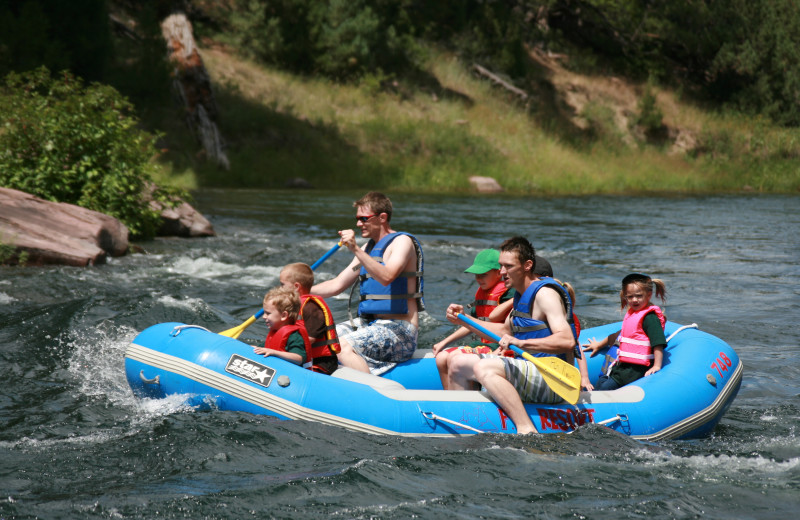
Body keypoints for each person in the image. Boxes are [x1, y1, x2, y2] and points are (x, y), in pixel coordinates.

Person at [444, 236, 577, 434]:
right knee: (457, 363)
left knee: (484, 366)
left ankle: (526, 429)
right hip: (531, 370)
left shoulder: (545, 295)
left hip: (553, 377)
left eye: (508, 266)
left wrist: (521, 344)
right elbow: (503, 332)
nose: (502, 272)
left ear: (527, 265)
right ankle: (465, 419)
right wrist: (463, 319)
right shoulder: (520, 295)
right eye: (500, 266)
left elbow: (567, 340)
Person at [310, 191, 424, 375]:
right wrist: (299, 291)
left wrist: (355, 248)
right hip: (369, 324)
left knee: (342, 347)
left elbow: (387, 276)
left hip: (401, 331)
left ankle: (373, 392)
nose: (358, 224)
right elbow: (337, 285)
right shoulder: (368, 248)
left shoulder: (402, 242)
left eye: (364, 219)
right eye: (357, 219)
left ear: (382, 218)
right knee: (323, 340)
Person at [432, 249, 515, 389]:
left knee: (454, 358)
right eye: (477, 275)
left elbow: (509, 329)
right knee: (441, 358)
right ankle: (449, 399)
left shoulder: (509, 293)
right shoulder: (482, 293)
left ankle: (469, 398)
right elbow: (471, 324)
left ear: (498, 272)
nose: (479, 279)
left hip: (497, 346)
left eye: (484, 275)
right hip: (484, 345)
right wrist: (444, 342)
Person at [583, 273, 667, 390]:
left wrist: (657, 365)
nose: (634, 300)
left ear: (648, 295)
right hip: (622, 366)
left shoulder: (650, 318)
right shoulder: (633, 314)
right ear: (625, 297)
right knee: (601, 383)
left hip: (636, 370)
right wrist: (598, 345)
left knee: (602, 390)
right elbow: (618, 335)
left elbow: (658, 342)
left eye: (639, 296)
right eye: (630, 297)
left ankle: (591, 407)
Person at [279, 262, 340, 374]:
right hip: (302, 357)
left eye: (282, 285)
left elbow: (309, 339)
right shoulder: (293, 306)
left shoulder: (311, 307)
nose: (280, 288)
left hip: (321, 362)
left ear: (296, 287)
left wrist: (281, 349)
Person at [253, 286, 312, 367]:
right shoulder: (275, 331)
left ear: (284, 315)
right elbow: (263, 348)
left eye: (268, 313)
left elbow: (299, 358)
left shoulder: (294, 336)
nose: (263, 316)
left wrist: (274, 352)